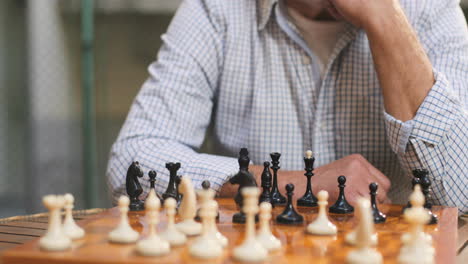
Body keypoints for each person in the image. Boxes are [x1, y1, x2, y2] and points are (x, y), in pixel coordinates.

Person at [106, 0, 467, 213]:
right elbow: (132, 160)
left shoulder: (430, 8)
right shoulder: (215, 10)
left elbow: (462, 192)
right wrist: (289, 183)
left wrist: (385, 18)